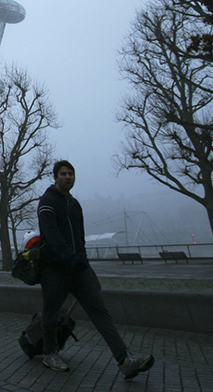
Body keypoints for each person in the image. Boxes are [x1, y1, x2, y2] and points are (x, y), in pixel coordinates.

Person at [37, 160, 154, 379]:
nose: (68, 177)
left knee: (100, 312)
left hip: (79, 269)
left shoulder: (75, 204)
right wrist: (70, 258)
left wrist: (83, 263)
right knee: (51, 312)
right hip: (54, 268)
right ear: (55, 177)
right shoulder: (47, 201)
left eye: (71, 174)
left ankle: (124, 360)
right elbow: (51, 236)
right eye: (63, 174)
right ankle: (49, 353)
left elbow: (79, 237)